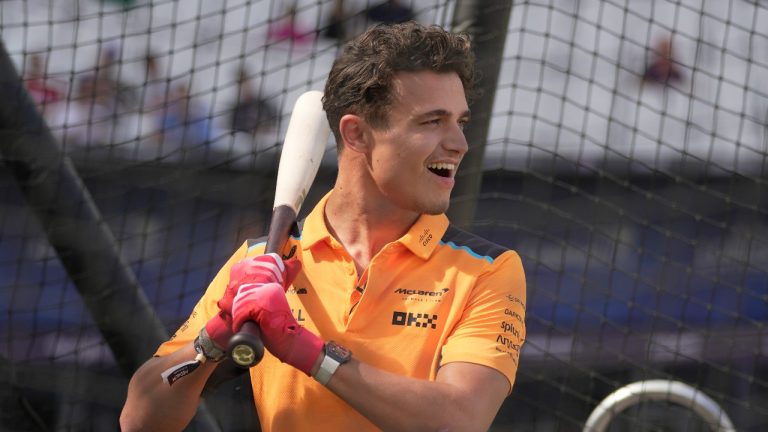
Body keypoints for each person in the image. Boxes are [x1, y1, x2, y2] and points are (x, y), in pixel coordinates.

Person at [121, 21, 526, 431]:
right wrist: (214, 336)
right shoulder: (264, 260)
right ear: (357, 134)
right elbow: (139, 421)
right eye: (432, 121)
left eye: (460, 121)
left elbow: (459, 420)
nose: (459, 143)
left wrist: (306, 350)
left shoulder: (488, 270)